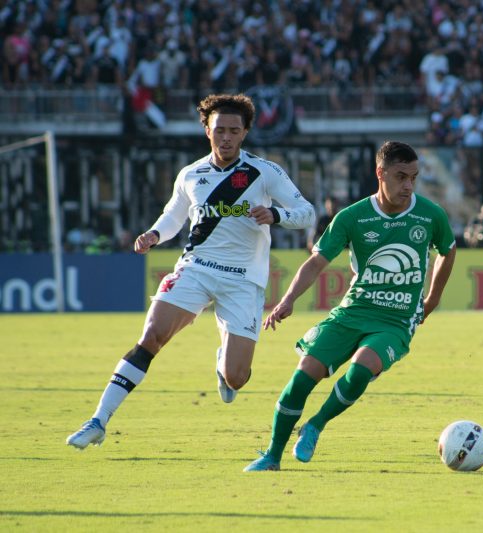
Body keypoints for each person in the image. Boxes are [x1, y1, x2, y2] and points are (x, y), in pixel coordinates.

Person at [66, 93, 316, 450]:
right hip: (196, 268)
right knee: (151, 335)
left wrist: (276, 215)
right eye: (219, 130)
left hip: (243, 280)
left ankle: (223, 365)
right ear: (207, 131)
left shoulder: (265, 172)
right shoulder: (190, 174)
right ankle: (98, 420)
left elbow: (306, 212)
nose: (226, 137)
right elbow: (173, 216)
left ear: (245, 132)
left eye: (233, 130)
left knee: (237, 377)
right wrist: (155, 233)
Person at [243, 141, 457, 472]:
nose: (408, 186)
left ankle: (315, 425)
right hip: (352, 313)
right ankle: (272, 455)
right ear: (380, 173)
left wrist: (432, 299)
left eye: (414, 177)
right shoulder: (353, 217)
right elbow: (316, 262)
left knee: (361, 368)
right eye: (401, 177)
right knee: (301, 380)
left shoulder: (430, 214)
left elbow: (448, 249)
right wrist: (287, 300)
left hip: (395, 320)